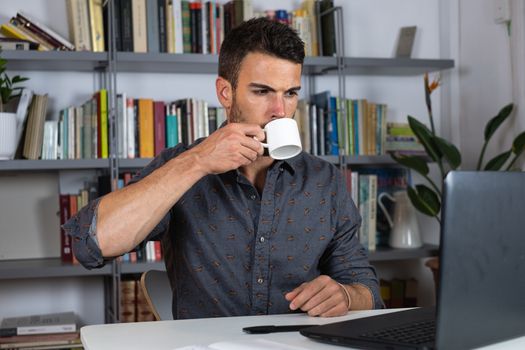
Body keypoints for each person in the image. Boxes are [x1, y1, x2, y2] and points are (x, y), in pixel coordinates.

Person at [64, 17, 383, 319]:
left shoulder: (323, 180)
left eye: (290, 93)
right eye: (262, 91)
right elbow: (91, 245)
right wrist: (198, 161)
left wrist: (345, 295)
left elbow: (367, 289)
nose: (280, 111)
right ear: (225, 93)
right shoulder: (184, 163)